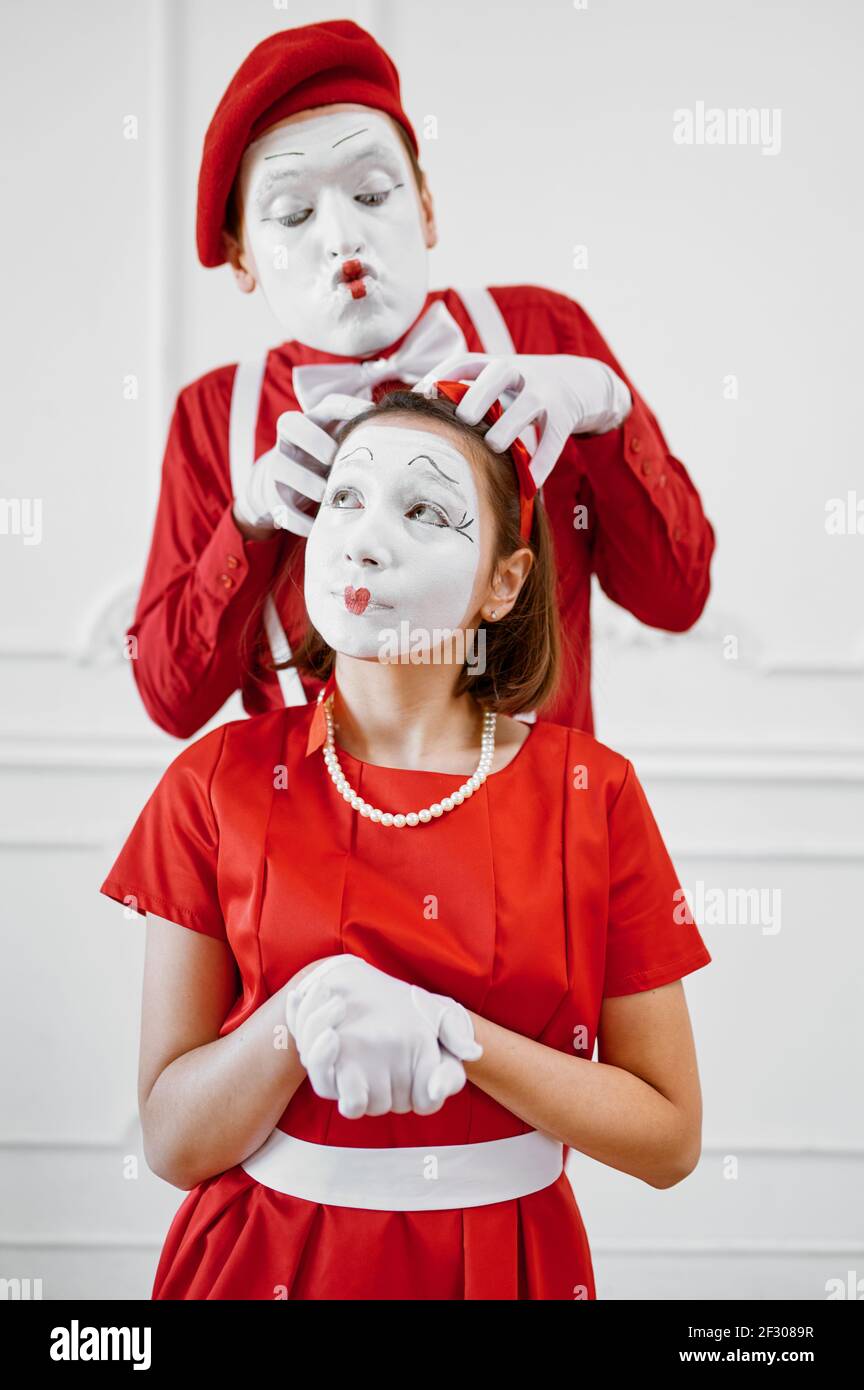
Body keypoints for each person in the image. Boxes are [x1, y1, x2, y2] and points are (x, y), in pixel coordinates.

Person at [100, 384, 713, 1301]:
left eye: (423, 509)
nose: (365, 538)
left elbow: (668, 1140)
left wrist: (456, 1035)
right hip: (255, 1265)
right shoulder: (215, 781)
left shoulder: (595, 793)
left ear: (504, 582)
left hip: (510, 1272)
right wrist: (300, 1013)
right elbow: (173, 1142)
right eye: (344, 499)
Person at [128, 19, 715, 740]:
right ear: (242, 257)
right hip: (308, 840)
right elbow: (169, 700)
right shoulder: (211, 414)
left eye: (372, 195)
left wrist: (609, 406)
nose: (342, 237)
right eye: (294, 213)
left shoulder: (546, 333)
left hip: (539, 831)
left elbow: (676, 598)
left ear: (427, 207)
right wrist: (245, 525)